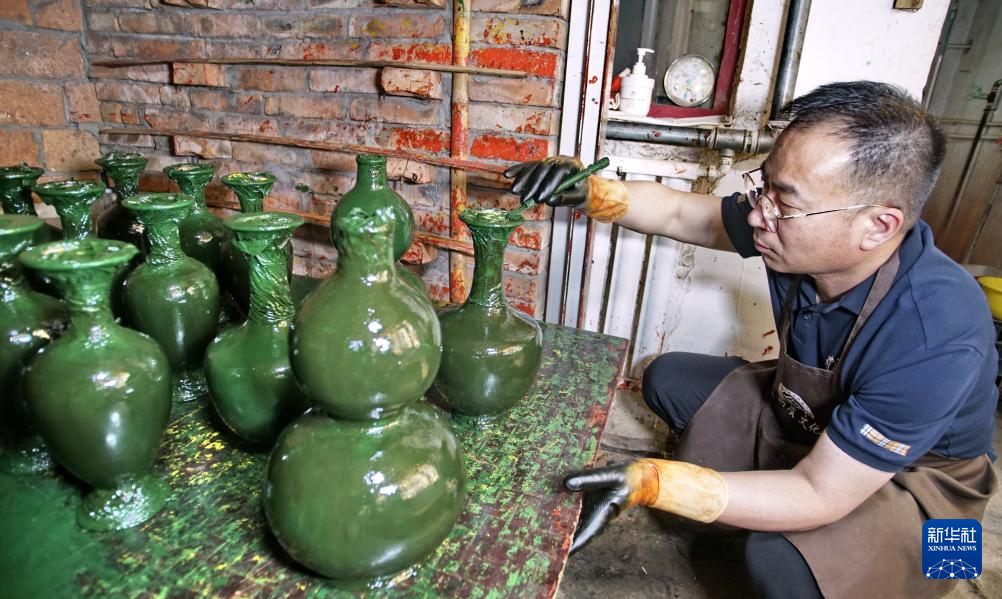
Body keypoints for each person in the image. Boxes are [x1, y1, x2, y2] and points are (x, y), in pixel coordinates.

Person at [505, 81, 999, 598]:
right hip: (815, 420)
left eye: (785, 203)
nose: (760, 214)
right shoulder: (798, 229)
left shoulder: (936, 330)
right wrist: (591, 192)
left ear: (877, 226)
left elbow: (820, 492)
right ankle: (765, 495)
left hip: (924, 482)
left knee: (776, 561)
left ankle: (932, 573)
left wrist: (656, 483)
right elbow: (680, 213)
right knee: (668, 378)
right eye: (765, 188)